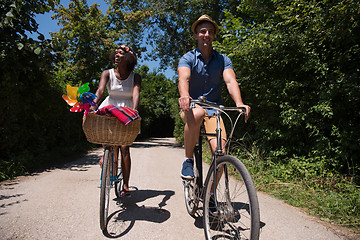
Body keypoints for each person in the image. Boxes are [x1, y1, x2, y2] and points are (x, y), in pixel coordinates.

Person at [178, 15, 251, 179]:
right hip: (192, 107)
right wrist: (184, 96)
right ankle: (188, 160)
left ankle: (211, 197)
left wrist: (240, 103)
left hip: (214, 110)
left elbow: (231, 81)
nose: (207, 35)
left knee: (220, 155)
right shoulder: (188, 58)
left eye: (210, 32)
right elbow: (184, 78)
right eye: (202, 31)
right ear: (196, 35)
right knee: (197, 113)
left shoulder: (223, 60)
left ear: (214, 36)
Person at [93, 45, 141, 196]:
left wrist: (134, 110)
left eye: (121, 53)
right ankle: (107, 158)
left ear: (128, 58)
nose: (117, 55)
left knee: (124, 147)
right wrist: (92, 105)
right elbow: (100, 91)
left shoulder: (135, 77)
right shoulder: (107, 73)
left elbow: (135, 93)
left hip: (126, 110)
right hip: (109, 107)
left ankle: (125, 185)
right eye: (116, 53)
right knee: (108, 141)